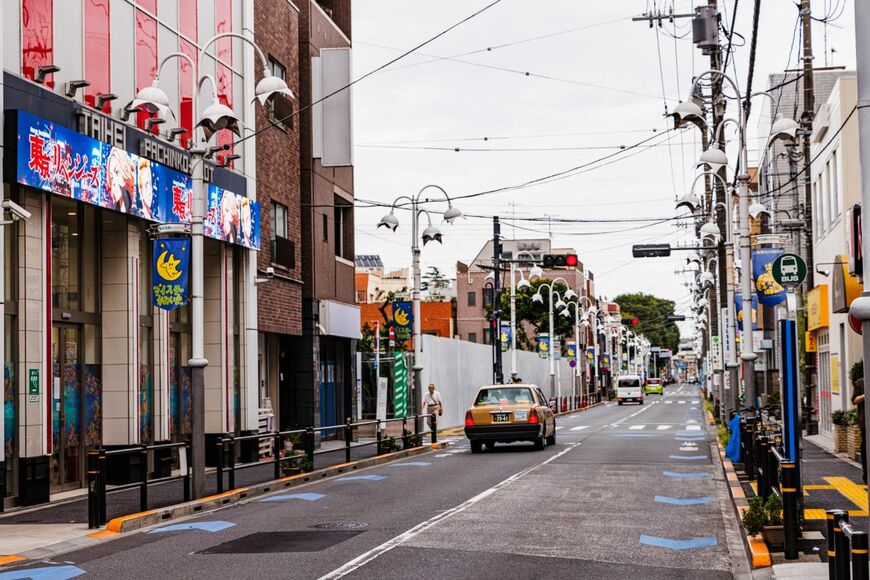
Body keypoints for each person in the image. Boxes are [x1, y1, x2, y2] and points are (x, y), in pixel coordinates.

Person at [853, 376, 866, 483]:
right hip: (865, 423)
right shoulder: (860, 382)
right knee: (865, 448)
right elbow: (854, 400)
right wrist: (865, 395)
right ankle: (866, 474)